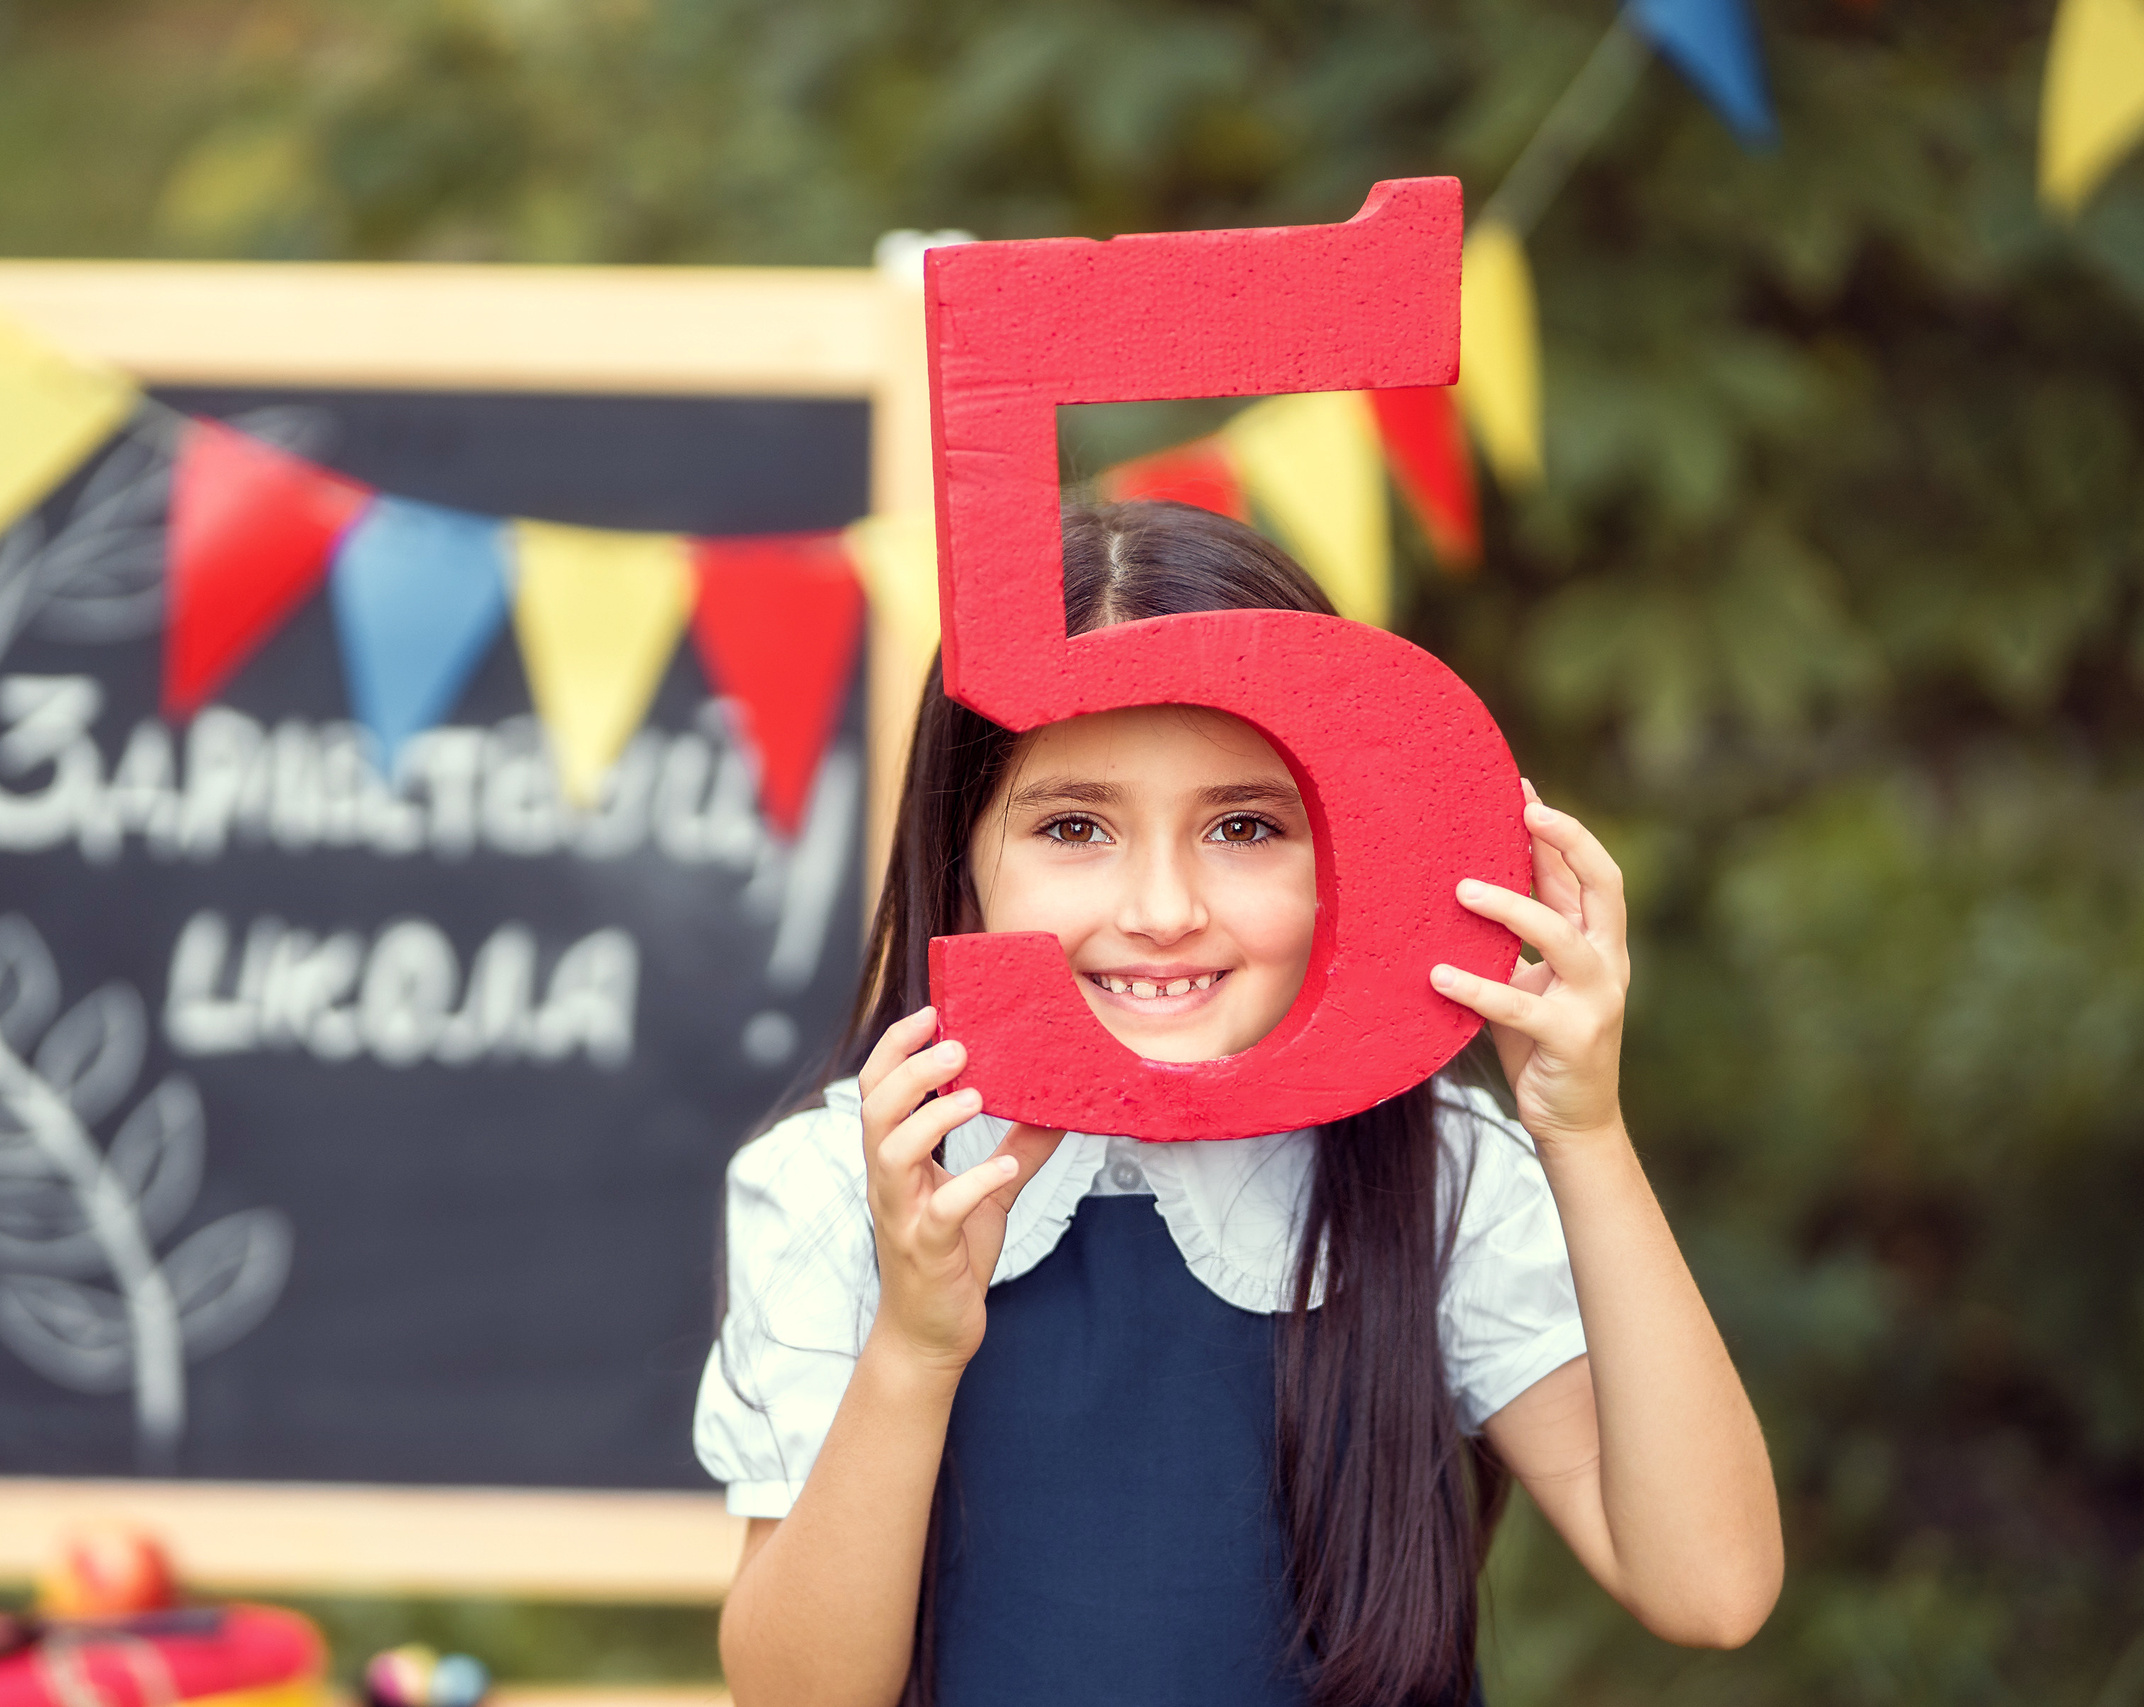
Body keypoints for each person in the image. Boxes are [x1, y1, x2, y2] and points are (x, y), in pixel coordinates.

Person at [693, 501, 1782, 1707]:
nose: (1162, 907)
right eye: (1073, 826)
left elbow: (1710, 1587)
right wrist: (913, 1344)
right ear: (962, 858)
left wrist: (1583, 1132)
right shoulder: (845, 1180)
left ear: (1343, 854)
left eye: (1244, 826)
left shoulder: (1433, 1170)